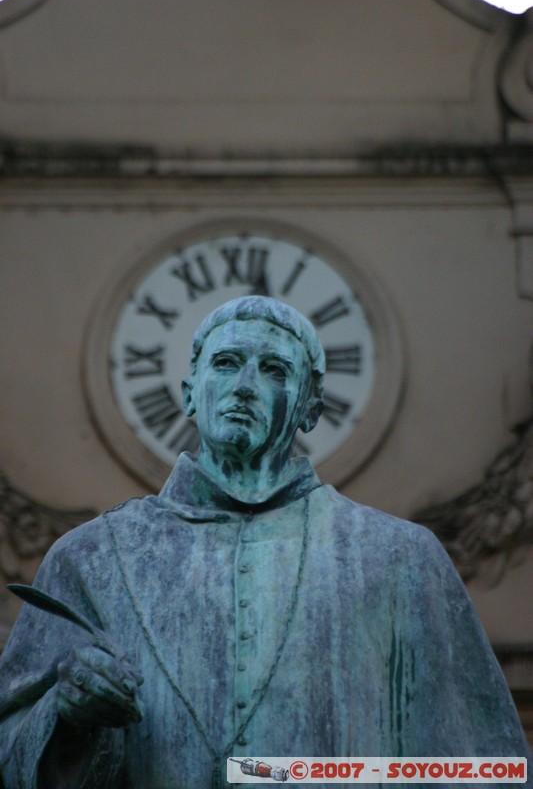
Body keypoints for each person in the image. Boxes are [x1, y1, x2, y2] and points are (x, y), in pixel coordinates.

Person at [0, 296, 530, 789]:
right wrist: (64, 717)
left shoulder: (400, 558)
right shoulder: (90, 558)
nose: (246, 385)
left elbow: (486, 768)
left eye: (275, 370)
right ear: (190, 393)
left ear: (309, 410)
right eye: (226, 363)